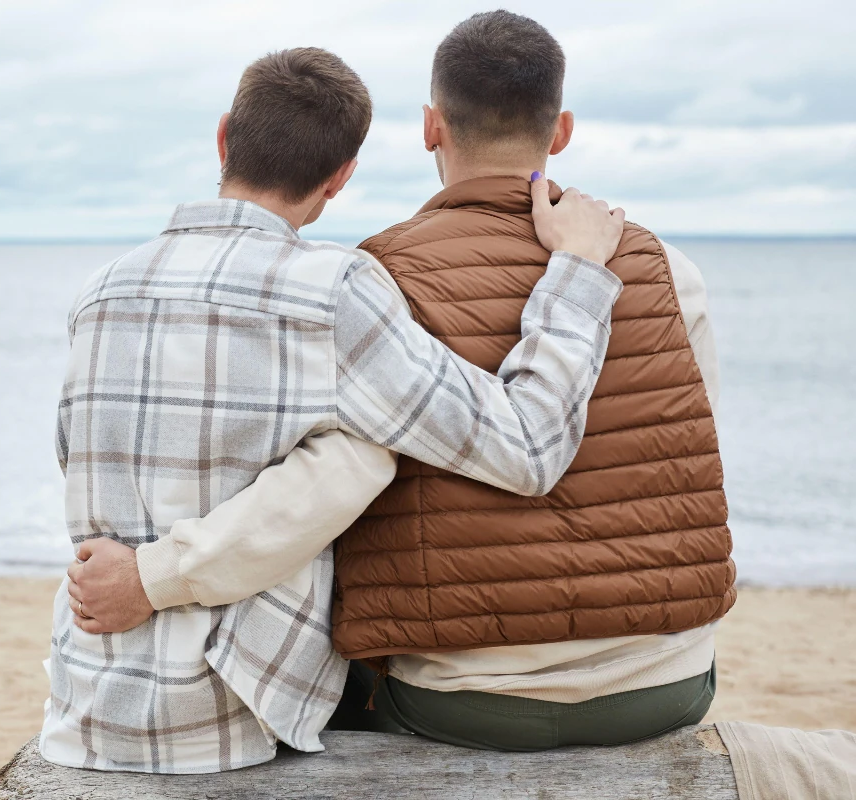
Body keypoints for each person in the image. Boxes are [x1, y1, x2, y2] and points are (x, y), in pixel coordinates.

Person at [68, 12, 733, 755]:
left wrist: (155, 575)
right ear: (562, 129)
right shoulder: (671, 271)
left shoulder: (374, 280)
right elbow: (686, 446)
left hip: (459, 697)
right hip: (665, 683)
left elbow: (339, 479)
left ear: (429, 128)